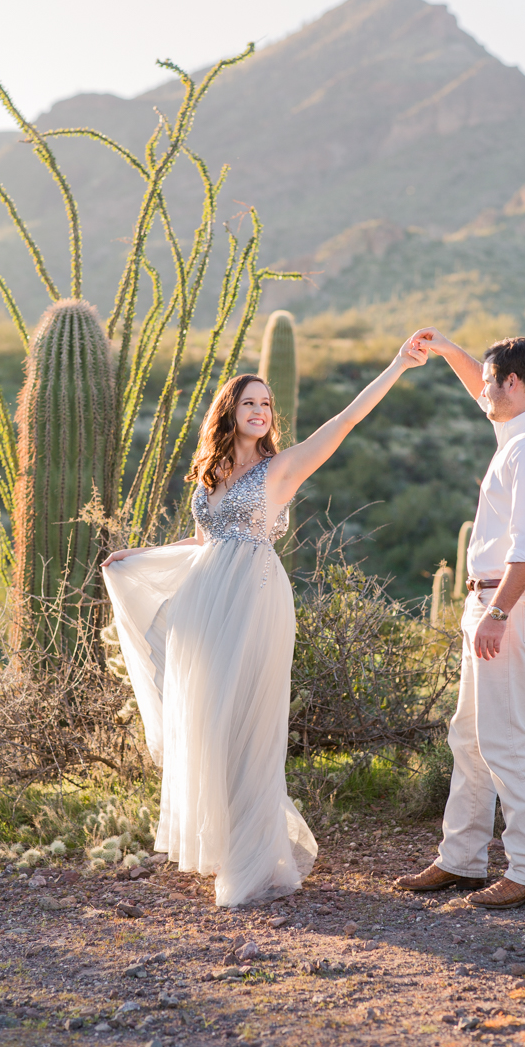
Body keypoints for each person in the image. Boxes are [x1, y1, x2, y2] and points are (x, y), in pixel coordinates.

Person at [102, 340, 427, 907]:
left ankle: (255, 864)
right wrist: (138, 555)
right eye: (250, 403)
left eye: (267, 404)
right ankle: (231, 847)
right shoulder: (212, 474)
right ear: (229, 411)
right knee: (210, 724)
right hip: (206, 603)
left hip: (254, 596)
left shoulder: (283, 467)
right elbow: (203, 543)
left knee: (248, 720)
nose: (260, 411)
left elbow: (346, 420)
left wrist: (397, 364)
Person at [395, 332, 525, 909]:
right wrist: (448, 349)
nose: (482, 390)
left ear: (513, 384)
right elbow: (480, 385)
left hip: (513, 602)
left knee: (504, 739)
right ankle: (461, 860)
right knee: (470, 737)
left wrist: (497, 611)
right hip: (496, 601)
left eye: (490, 381)